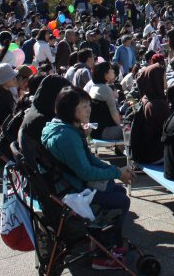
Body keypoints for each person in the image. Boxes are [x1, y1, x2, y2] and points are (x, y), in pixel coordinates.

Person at [41, 86, 135, 270]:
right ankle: (103, 255)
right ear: (70, 110)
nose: (89, 110)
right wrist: (117, 173)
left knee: (118, 190)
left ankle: (102, 240)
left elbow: (89, 160)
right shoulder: (67, 136)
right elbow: (86, 172)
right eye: (84, 107)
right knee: (121, 200)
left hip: (69, 184)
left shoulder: (61, 127)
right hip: (73, 192)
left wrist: (115, 170)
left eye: (88, 105)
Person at [133, 63, 170, 163]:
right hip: (155, 154)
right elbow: (169, 131)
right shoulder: (157, 104)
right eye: (164, 76)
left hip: (146, 152)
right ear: (156, 79)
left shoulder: (146, 98)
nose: (166, 79)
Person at [87, 61, 123, 140]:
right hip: (103, 131)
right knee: (132, 130)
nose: (113, 70)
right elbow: (114, 114)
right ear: (105, 75)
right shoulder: (106, 89)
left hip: (94, 130)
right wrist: (121, 126)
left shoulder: (94, 87)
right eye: (110, 69)